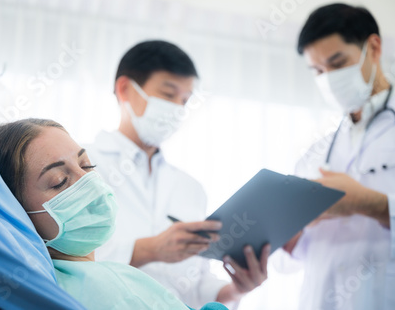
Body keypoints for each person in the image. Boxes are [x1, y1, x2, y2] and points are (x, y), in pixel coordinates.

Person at [86, 40, 270, 309]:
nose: (177, 108)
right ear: (125, 89)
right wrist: (149, 249)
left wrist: (236, 289)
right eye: (168, 94)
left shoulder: (190, 188)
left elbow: (195, 287)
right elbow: (62, 258)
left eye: (185, 100)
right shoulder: (81, 165)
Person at [0, 118, 231, 310]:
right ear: (14, 210)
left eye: (87, 165)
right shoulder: (111, 287)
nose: (87, 182)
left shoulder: (45, 286)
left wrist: (234, 290)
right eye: (58, 181)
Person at [281, 3, 395, 309]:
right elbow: (294, 255)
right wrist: (287, 231)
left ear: (373, 47)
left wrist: (368, 204)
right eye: (317, 71)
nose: (328, 78)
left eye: (338, 63)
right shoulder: (317, 150)